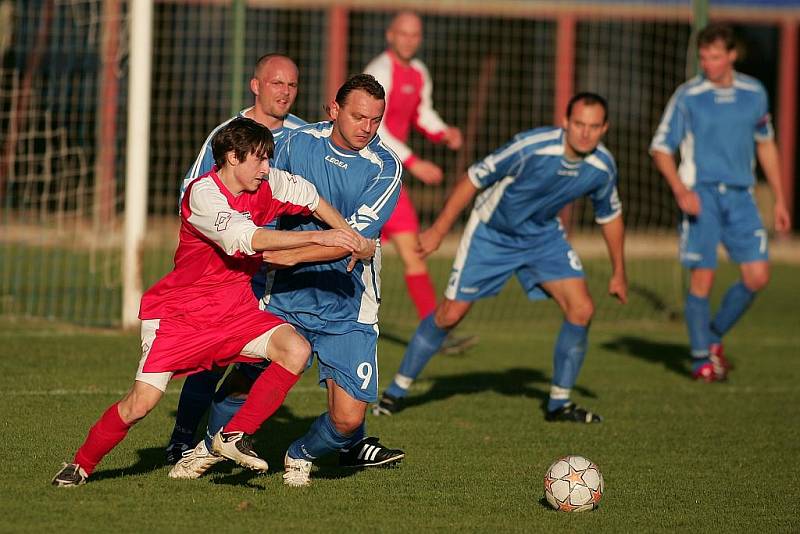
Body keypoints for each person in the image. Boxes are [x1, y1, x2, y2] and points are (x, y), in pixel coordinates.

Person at [51, 117, 371, 486]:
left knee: (295, 349)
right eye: (259, 159)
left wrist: (350, 237)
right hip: (180, 316)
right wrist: (327, 240)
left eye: (268, 159)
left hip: (235, 310)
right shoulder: (204, 196)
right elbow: (249, 240)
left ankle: (233, 435)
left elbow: (311, 197)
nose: (267, 168)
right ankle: (80, 464)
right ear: (232, 158)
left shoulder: (267, 182)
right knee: (140, 404)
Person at [373, 92, 627, 423]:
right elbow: (473, 179)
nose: (584, 133)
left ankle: (559, 404)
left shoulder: (602, 167)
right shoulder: (531, 147)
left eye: (593, 127)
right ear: (565, 122)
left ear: (604, 128)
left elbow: (610, 216)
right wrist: (438, 230)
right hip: (492, 234)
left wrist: (618, 271)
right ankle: (395, 393)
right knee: (450, 315)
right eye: (578, 124)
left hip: (543, 237)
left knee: (582, 309)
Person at [265, 74, 404, 487]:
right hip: (284, 292)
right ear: (333, 110)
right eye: (359, 117)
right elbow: (262, 201)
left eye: (376, 120)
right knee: (241, 376)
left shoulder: (385, 168)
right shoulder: (295, 143)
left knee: (346, 419)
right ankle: (202, 447)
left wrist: (284, 253)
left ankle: (300, 453)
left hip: (349, 300)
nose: (367, 128)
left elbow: (352, 243)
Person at [166, 54, 306, 465]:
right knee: (209, 359)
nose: (285, 92)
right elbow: (190, 197)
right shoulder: (228, 136)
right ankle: (181, 439)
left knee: (279, 354)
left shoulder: (303, 135)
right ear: (255, 85)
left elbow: (303, 193)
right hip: (230, 270)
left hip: (281, 269)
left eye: (292, 85)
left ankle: (222, 438)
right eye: (276, 83)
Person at [650, 23, 791, 382]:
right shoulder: (688, 96)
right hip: (702, 195)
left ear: (731, 55)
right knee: (703, 279)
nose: (708, 64)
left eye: (715, 57)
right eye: (703, 57)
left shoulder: (753, 92)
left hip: (742, 197)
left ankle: (711, 338)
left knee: (758, 276)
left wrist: (779, 199)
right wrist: (681, 189)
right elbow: (661, 148)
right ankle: (701, 362)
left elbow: (765, 144)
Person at [364, 11, 475, 355]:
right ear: (390, 35)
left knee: (413, 255)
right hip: (365, 175)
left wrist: (444, 133)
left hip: (390, 179)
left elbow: (422, 113)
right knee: (348, 253)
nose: (410, 40)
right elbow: (374, 128)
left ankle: (433, 333)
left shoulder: (419, 72)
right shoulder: (379, 72)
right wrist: (414, 162)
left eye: (416, 34)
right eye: (404, 33)